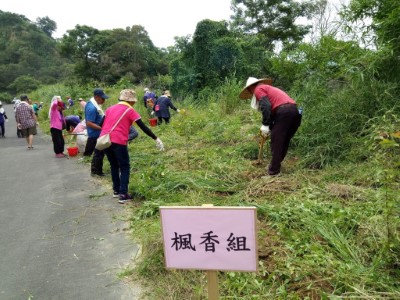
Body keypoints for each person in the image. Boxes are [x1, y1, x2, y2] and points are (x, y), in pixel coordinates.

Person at [100, 89, 164, 204]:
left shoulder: (109, 109)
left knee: (114, 165)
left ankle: (116, 190)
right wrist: (156, 138)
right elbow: (143, 127)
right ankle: (123, 194)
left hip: (105, 140)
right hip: (118, 141)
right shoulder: (129, 110)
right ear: (131, 101)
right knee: (124, 167)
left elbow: (101, 124)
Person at [239, 77, 302, 176]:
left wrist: (265, 124)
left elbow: (266, 106)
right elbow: (273, 111)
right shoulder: (269, 89)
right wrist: (270, 127)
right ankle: (275, 165)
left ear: (250, 88)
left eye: (249, 90)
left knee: (276, 142)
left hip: (284, 112)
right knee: (283, 141)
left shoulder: (258, 89)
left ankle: (273, 172)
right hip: (294, 112)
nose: (251, 93)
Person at [83, 88, 108, 176]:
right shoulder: (92, 108)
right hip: (95, 134)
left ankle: (96, 170)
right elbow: (89, 123)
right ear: (97, 97)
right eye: (103, 98)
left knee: (98, 153)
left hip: (97, 133)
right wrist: (102, 129)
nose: (104, 100)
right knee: (99, 153)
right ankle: (97, 171)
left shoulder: (93, 104)